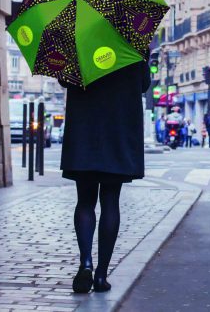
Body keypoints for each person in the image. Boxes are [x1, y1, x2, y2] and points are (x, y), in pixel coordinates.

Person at [61, 60, 150, 294]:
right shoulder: (132, 38)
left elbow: (63, 79)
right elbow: (143, 84)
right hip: (117, 130)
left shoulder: (76, 38)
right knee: (110, 201)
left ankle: (86, 263)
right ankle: (101, 275)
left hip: (85, 129)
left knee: (85, 200)